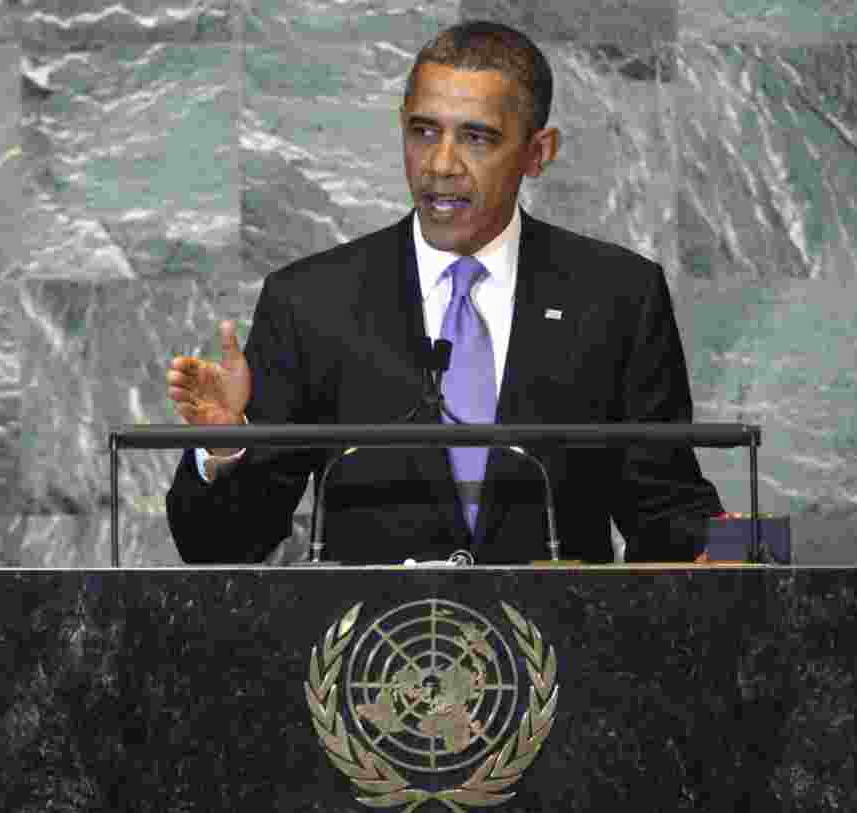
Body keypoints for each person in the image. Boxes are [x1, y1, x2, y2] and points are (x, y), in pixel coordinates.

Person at [165, 21, 723, 564]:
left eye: (476, 137)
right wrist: (223, 446)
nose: (440, 164)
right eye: (423, 131)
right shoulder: (311, 302)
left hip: (561, 652)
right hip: (372, 650)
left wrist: (738, 555)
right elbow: (221, 546)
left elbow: (666, 509)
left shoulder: (618, 296)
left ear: (538, 152)